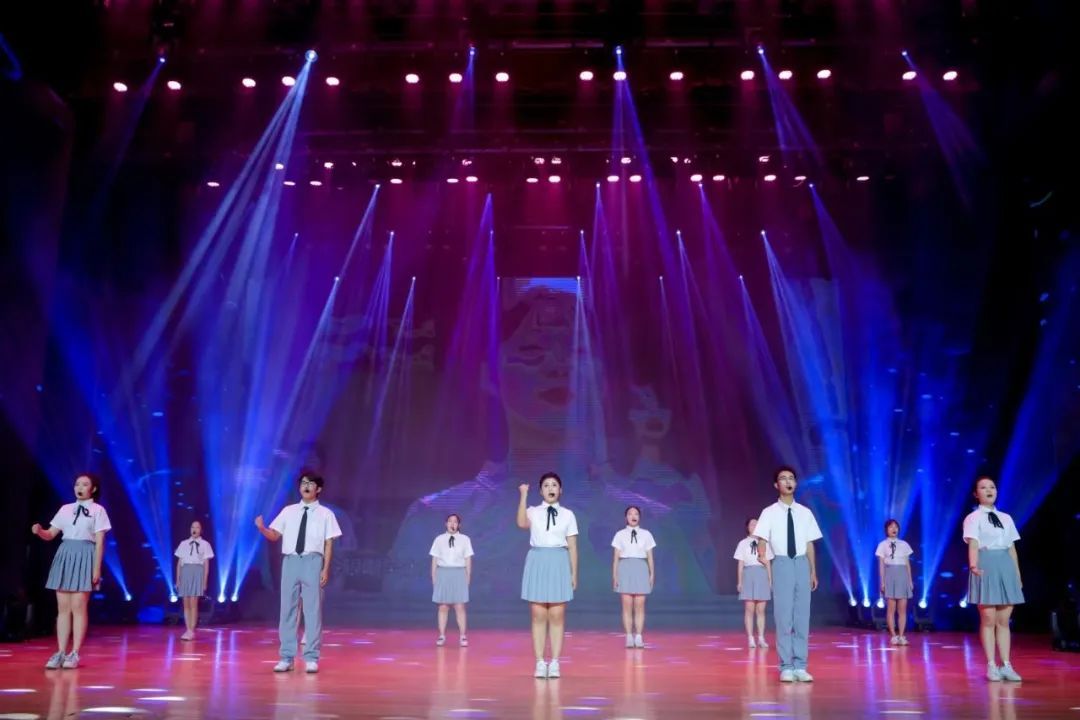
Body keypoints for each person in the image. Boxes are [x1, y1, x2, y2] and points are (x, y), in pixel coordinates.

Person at [255, 471, 342, 673]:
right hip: (291, 561)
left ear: (318, 489)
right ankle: (286, 657)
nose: (306, 486)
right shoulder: (289, 511)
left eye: (310, 483)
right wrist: (262, 528)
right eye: (303, 483)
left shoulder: (326, 514)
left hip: (313, 560)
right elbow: (274, 535)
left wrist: (325, 568)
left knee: (312, 610)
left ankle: (311, 657)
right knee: (287, 610)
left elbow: (329, 543)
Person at [32, 473, 111, 669]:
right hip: (65, 554)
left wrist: (96, 568)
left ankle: (74, 653)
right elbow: (51, 534)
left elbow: (100, 542)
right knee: (63, 608)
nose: (79, 487)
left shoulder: (98, 510)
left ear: (93, 489)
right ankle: (60, 652)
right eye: (77, 484)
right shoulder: (65, 509)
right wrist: (40, 531)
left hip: (85, 555)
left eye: (84, 484)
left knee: (78, 606)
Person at [753, 466, 822, 682]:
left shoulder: (805, 512)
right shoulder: (769, 512)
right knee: (783, 616)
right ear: (776, 485)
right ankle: (786, 666)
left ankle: (801, 665)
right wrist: (763, 557)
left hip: (801, 563)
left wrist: (812, 570)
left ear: (796, 483)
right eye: (783, 479)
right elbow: (762, 539)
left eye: (791, 478)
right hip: (781, 563)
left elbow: (809, 544)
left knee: (802, 616)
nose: (788, 481)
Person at [517, 472, 578, 678]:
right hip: (538, 560)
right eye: (546, 485)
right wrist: (523, 495)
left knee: (557, 615)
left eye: (554, 485)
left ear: (560, 490)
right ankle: (540, 662)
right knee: (538, 615)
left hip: (559, 561)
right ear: (541, 491)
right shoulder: (533, 512)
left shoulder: (568, 514)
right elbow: (521, 523)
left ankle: (555, 662)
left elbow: (572, 546)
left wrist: (573, 573)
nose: (550, 488)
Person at [964, 475, 1024, 682]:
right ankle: (991, 665)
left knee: (1003, 620)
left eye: (992, 487)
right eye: (983, 487)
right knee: (988, 618)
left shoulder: (1006, 518)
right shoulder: (973, 518)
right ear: (976, 494)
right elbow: (973, 544)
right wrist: (973, 565)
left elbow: (1012, 548)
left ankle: (1006, 665)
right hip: (985, 565)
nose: (989, 490)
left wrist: (1017, 575)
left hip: (1005, 565)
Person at [611, 506, 656, 648]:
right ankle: (629, 636)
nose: (633, 516)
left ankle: (639, 636)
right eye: (630, 514)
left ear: (640, 517)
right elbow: (616, 558)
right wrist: (615, 575)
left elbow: (650, 556)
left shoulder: (646, 534)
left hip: (641, 568)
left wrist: (652, 574)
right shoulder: (619, 534)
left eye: (636, 513)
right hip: (625, 567)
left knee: (640, 605)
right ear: (626, 517)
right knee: (627, 605)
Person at [430, 513, 474, 647]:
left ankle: (463, 636)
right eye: (450, 521)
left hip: (459, 573)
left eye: (455, 522)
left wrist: (468, 576)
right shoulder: (439, 539)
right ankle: (442, 635)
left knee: (460, 606)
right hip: (443, 573)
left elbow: (468, 559)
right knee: (443, 606)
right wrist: (434, 576)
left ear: (459, 525)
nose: (452, 524)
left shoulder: (465, 539)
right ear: (446, 523)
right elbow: (434, 559)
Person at [734, 517, 772, 649]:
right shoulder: (742, 543)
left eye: (757, 524)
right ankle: (750, 639)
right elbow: (740, 564)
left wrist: (770, 580)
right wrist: (739, 582)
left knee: (761, 610)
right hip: (748, 574)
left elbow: (768, 563)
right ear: (747, 528)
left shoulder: (765, 543)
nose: (755, 526)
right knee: (749, 609)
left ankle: (761, 638)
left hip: (761, 574)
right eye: (752, 525)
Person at [875, 519, 913, 645]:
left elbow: (907, 564)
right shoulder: (882, 545)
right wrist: (882, 582)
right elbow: (881, 566)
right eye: (891, 527)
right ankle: (893, 635)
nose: (894, 529)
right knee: (891, 609)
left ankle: (902, 636)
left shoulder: (904, 544)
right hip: (890, 575)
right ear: (886, 530)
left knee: (902, 609)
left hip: (902, 576)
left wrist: (910, 580)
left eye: (896, 527)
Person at [174, 520, 214, 640]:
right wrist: (178, 579)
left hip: (197, 572)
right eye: (192, 527)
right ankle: (188, 629)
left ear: (201, 530)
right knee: (186, 603)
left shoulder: (205, 544)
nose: (194, 529)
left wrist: (204, 581)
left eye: (197, 527)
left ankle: (191, 630)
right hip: (185, 572)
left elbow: (206, 565)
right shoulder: (183, 543)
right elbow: (179, 563)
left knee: (193, 603)